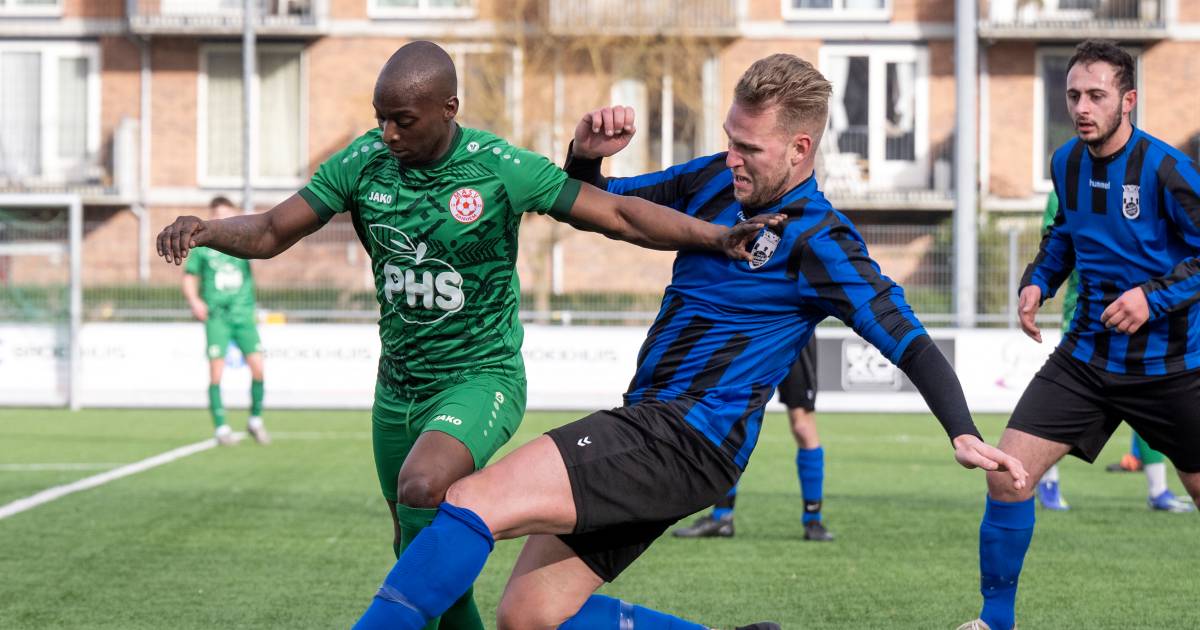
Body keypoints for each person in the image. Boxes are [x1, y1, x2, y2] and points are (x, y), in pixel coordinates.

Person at [351, 53, 1025, 630]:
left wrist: (960, 429)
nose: (733, 157)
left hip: (685, 436)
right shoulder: (710, 179)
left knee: (470, 502)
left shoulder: (821, 238)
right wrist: (585, 155)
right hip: (656, 428)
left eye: (750, 148)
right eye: (731, 138)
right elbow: (599, 208)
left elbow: (906, 338)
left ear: (800, 149)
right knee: (527, 615)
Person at [158, 41, 768, 630]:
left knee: (422, 487)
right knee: (416, 553)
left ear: (448, 109)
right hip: (396, 390)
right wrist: (206, 229)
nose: (390, 134)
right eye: (382, 119)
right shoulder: (362, 161)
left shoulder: (500, 169)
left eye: (404, 121)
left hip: (480, 379)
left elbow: (617, 214)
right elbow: (269, 232)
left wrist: (713, 237)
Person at [959, 40, 1200, 630]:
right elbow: (1064, 233)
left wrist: (1152, 297)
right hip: (1086, 359)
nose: (1082, 107)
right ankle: (996, 621)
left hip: (1172, 368)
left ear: (1129, 100)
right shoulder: (1065, 162)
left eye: (1096, 95)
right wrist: (1038, 282)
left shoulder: (1169, 170)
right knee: (1005, 473)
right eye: (1073, 95)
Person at [1034, 193, 1193, 514]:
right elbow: (1058, 242)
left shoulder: (1152, 176)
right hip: (1087, 319)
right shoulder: (1066, 186)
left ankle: (1158, 489)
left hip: (1145, 314)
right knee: (1059, 407)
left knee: (1153, 402)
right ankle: (1047, 481)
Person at [672, 336, 835, 541]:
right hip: (757, 330)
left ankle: (813, 521)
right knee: (731, 419)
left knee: (803, 426)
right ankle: (722, 517)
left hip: (796, 332)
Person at [182, 196, 269, 446]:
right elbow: (189, 277)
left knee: (258, 369)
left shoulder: (241, 243)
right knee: (216, 373)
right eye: (217, 213)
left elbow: (259, 260)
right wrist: (195, 301)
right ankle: (221, 428)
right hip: (217, 317)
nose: (222, 217)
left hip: (243, 316)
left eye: (226, 213)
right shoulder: (203, 248)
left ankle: (255, 421)